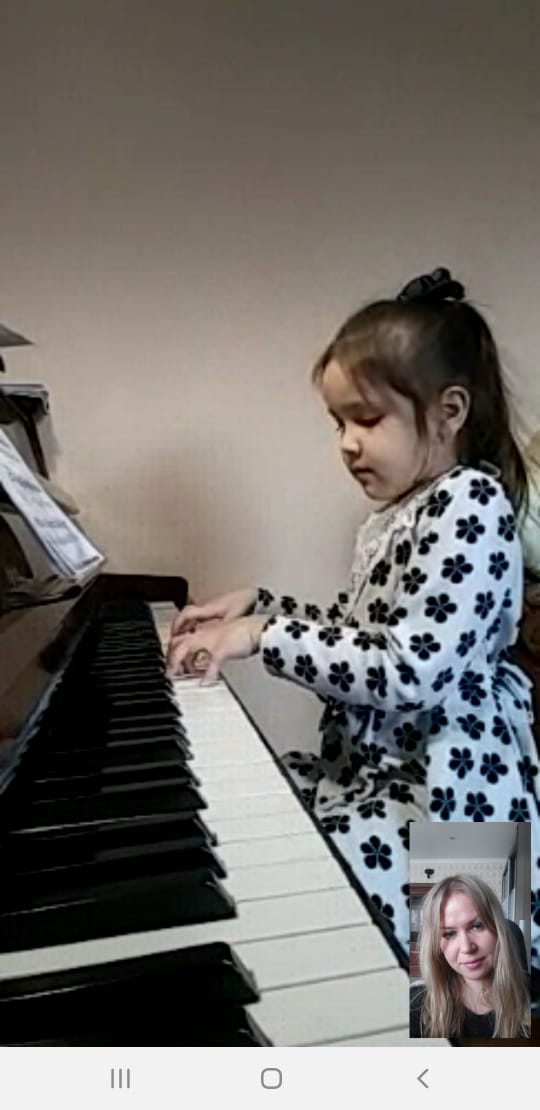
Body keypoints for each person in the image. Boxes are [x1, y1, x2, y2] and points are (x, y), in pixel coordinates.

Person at [166, 266, 540, 968]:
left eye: (366, 420)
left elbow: (408, 668)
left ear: (450, 411)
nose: (346, 443)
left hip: (448, 796)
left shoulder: (470, 503)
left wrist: (263, 636)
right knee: (260, 825)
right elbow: (362, 631)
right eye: (338, 423)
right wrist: (260, 605)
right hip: (381, 774)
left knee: (452, 985)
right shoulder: (401, 513)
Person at [409, 874, 530, 1038]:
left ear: (498, 929)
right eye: (449, 934)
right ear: (436, 946)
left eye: (477, 926)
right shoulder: (416, 1005)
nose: (467, 948)